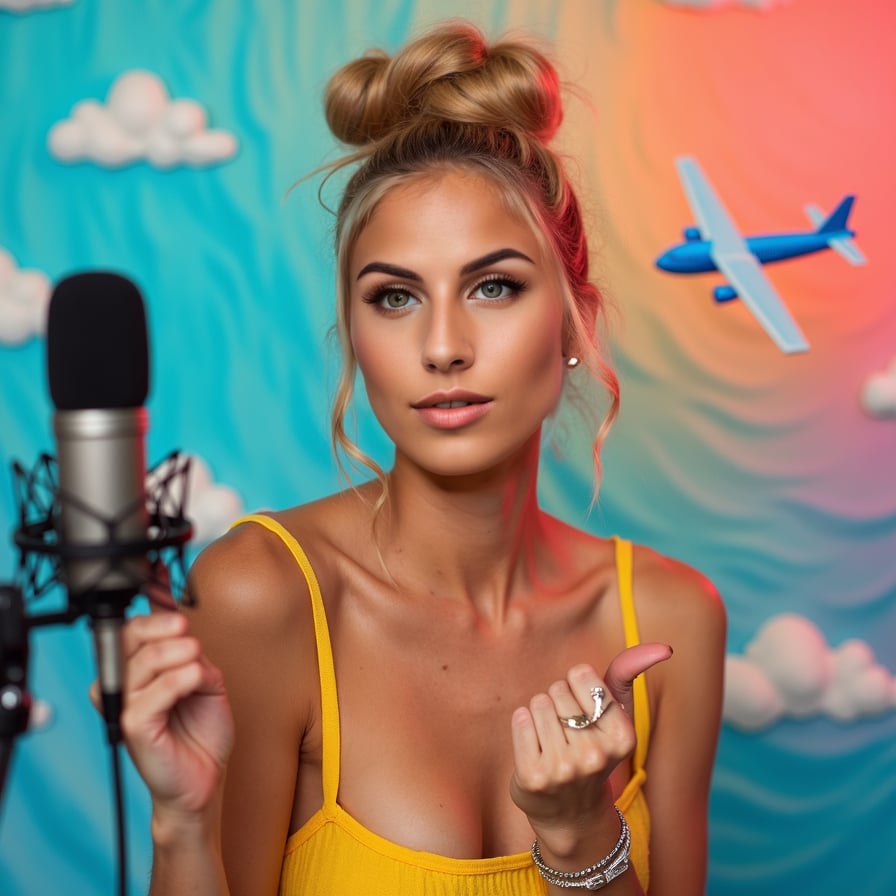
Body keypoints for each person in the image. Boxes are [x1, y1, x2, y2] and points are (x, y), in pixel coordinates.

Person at [111, 19, 726, 896]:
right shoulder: (262, 595)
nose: (442, 345)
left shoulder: (670, 621)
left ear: (575, 318)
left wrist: (582, 837)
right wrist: (181, 829)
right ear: (354, 336)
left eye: (494, 286)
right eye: (395, 297)